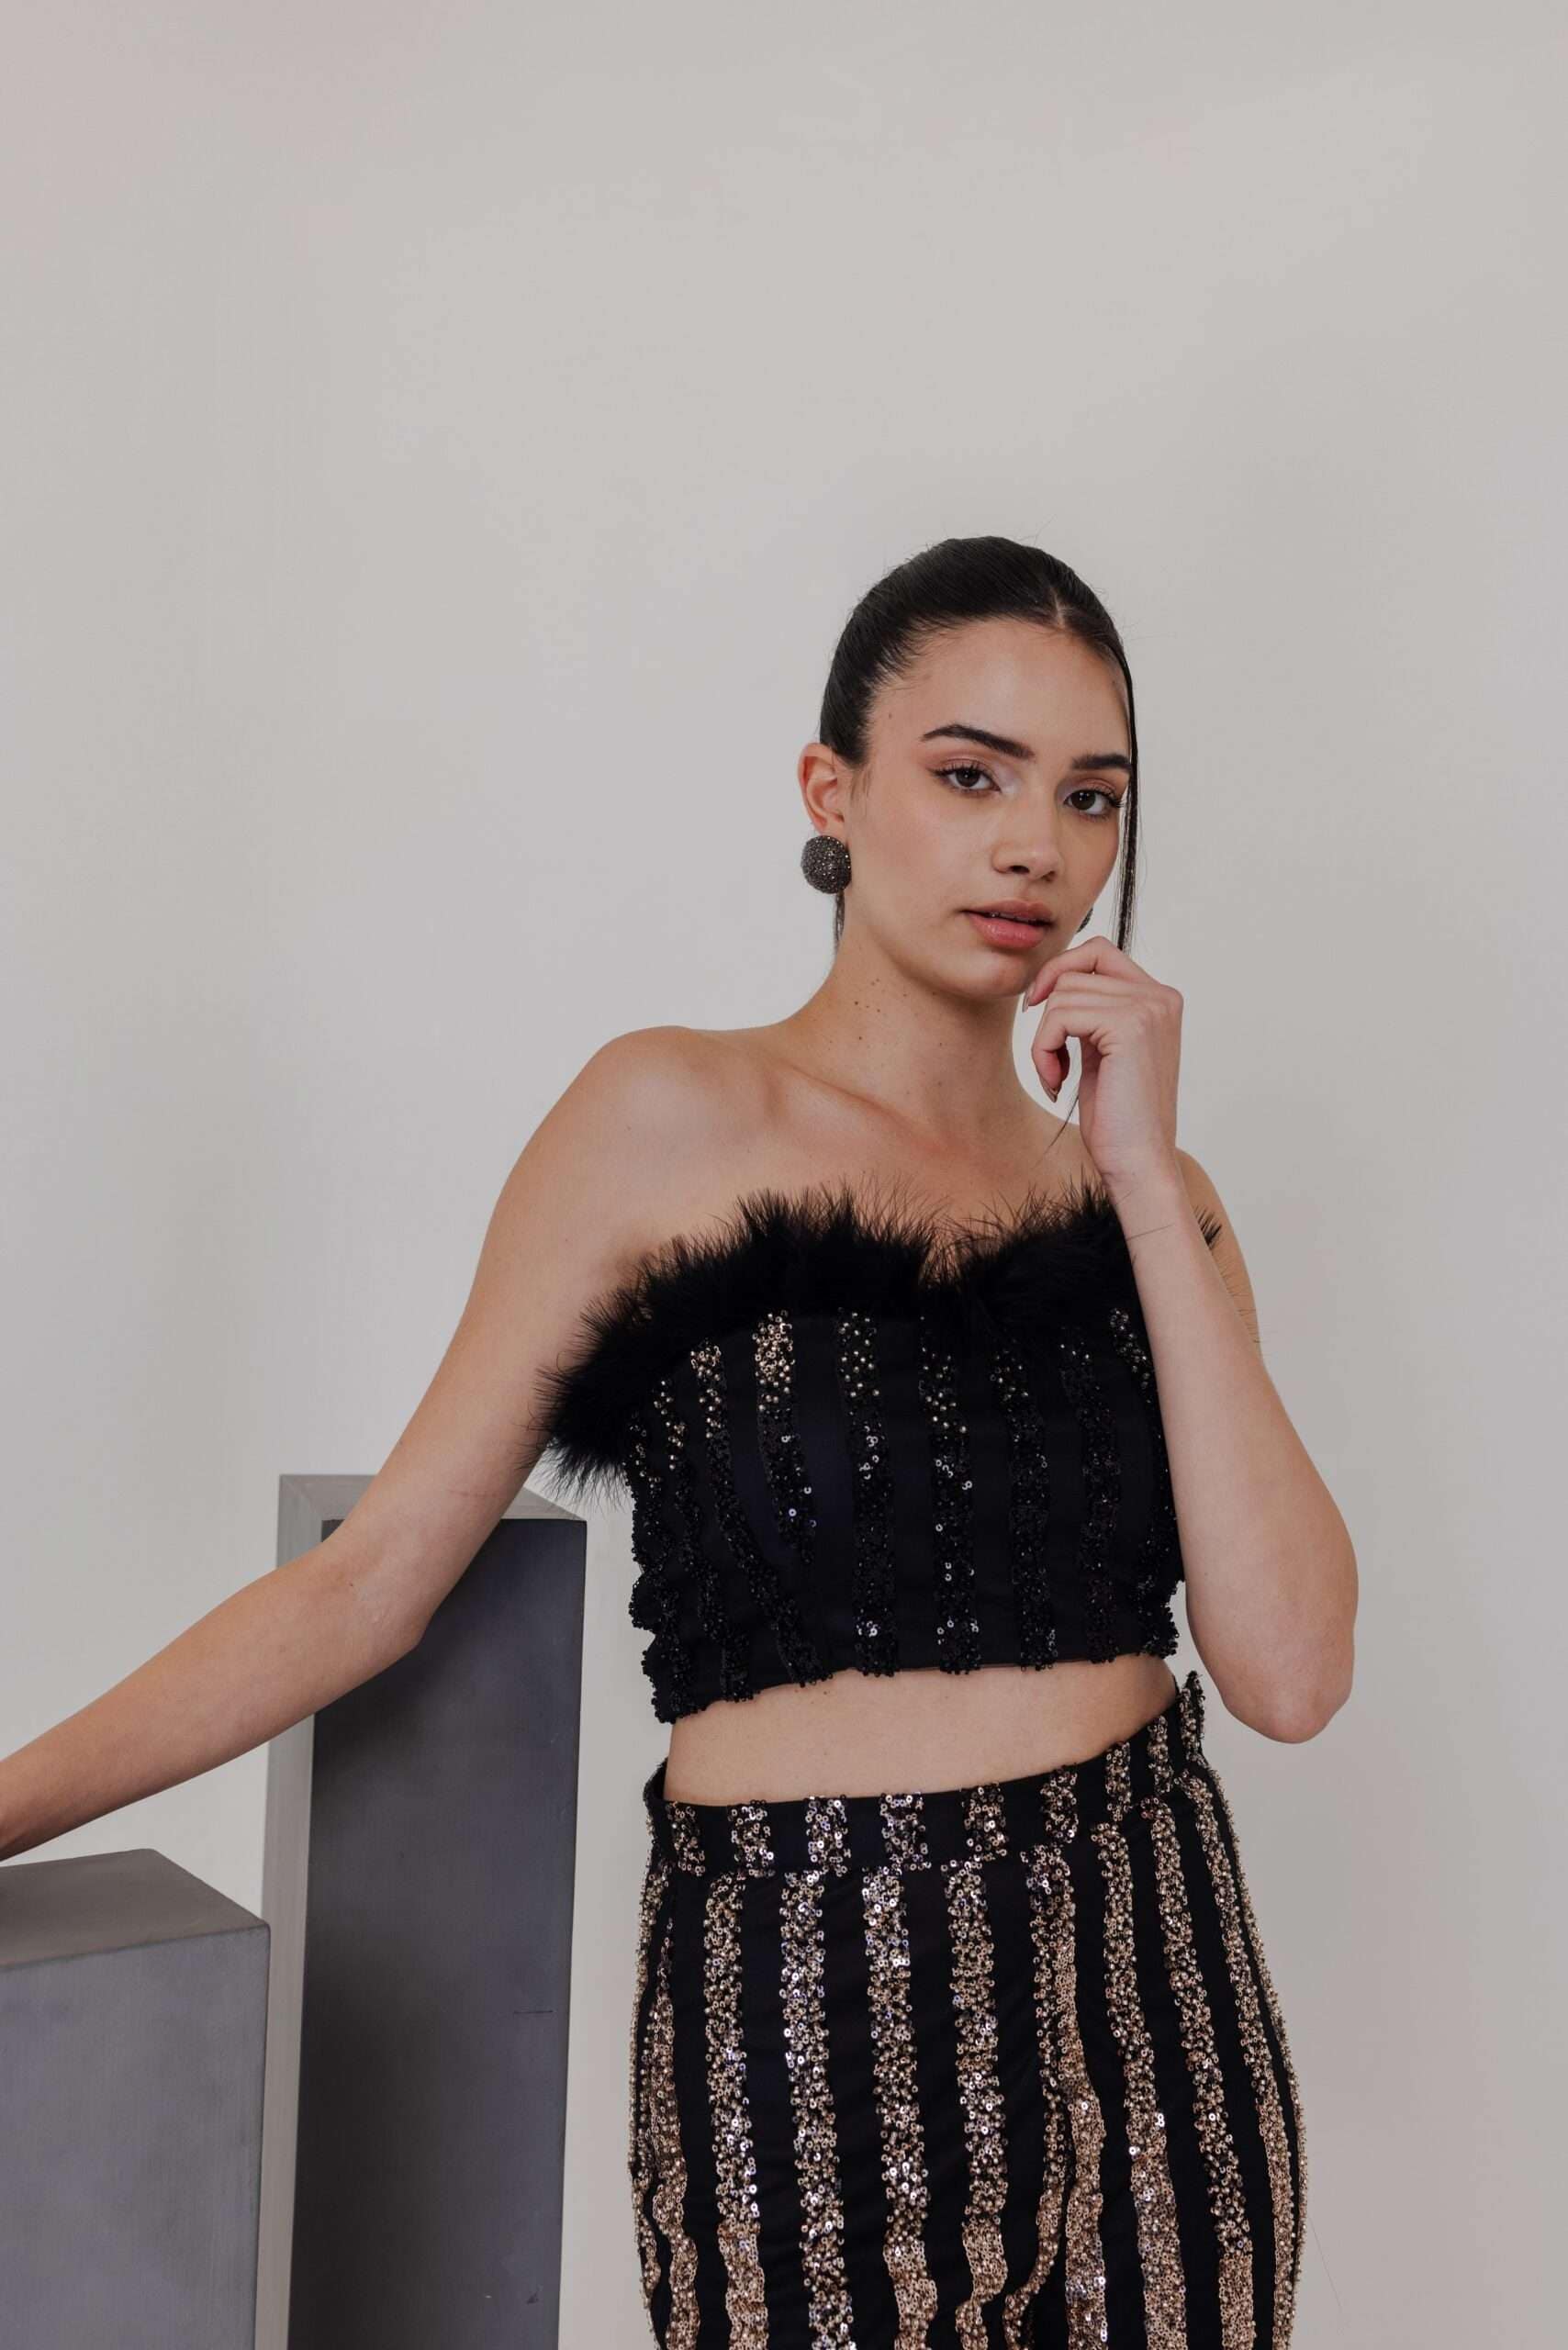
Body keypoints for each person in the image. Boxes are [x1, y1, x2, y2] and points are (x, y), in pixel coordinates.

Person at [0, 535, 1356, 2346]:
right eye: (970, 775)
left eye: (1087, 795)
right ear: (832, 792)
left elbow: (1287, 1671)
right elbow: (371, 1581)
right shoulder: (664, 1119)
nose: (1034, 844)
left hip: (1161, 1998)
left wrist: (1135, 1180)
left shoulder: (1152, 1195)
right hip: (805, 2006)